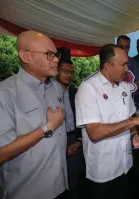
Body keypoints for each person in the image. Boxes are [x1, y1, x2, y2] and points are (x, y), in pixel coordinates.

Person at [0, 31, 69, 199]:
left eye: (56, 54)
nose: (56, 59)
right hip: (26, 192)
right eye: (49, 54)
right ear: (26, 56)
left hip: (60, 186)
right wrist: (48, 128)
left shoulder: (55, 88)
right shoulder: (1, 95)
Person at [75, 44, 139, 199]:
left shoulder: (124, 87)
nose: (127, 68)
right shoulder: (88, 89)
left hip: (126, 165)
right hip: (103, 171)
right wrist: (135, 122)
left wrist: (134, 137)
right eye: (124, 64)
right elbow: (95, 133)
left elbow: (128, 119)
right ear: (108, 66)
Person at [56, 47, 84, 199]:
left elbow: (82, 120)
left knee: (74, 180)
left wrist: (79, 141)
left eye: (71, 72)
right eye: (65, 71)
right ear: (56, 71)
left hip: (74, 139)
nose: (69, 75)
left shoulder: (76, 93)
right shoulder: (48, 94)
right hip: (56, 140)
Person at [116, 35, 139, 107]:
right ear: (116, 46)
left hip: (128, 102)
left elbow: (138, 84)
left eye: (126, 47)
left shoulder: (134, 63)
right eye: (121, 47)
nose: (124, 49)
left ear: (129, 47)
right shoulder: (110, 62)